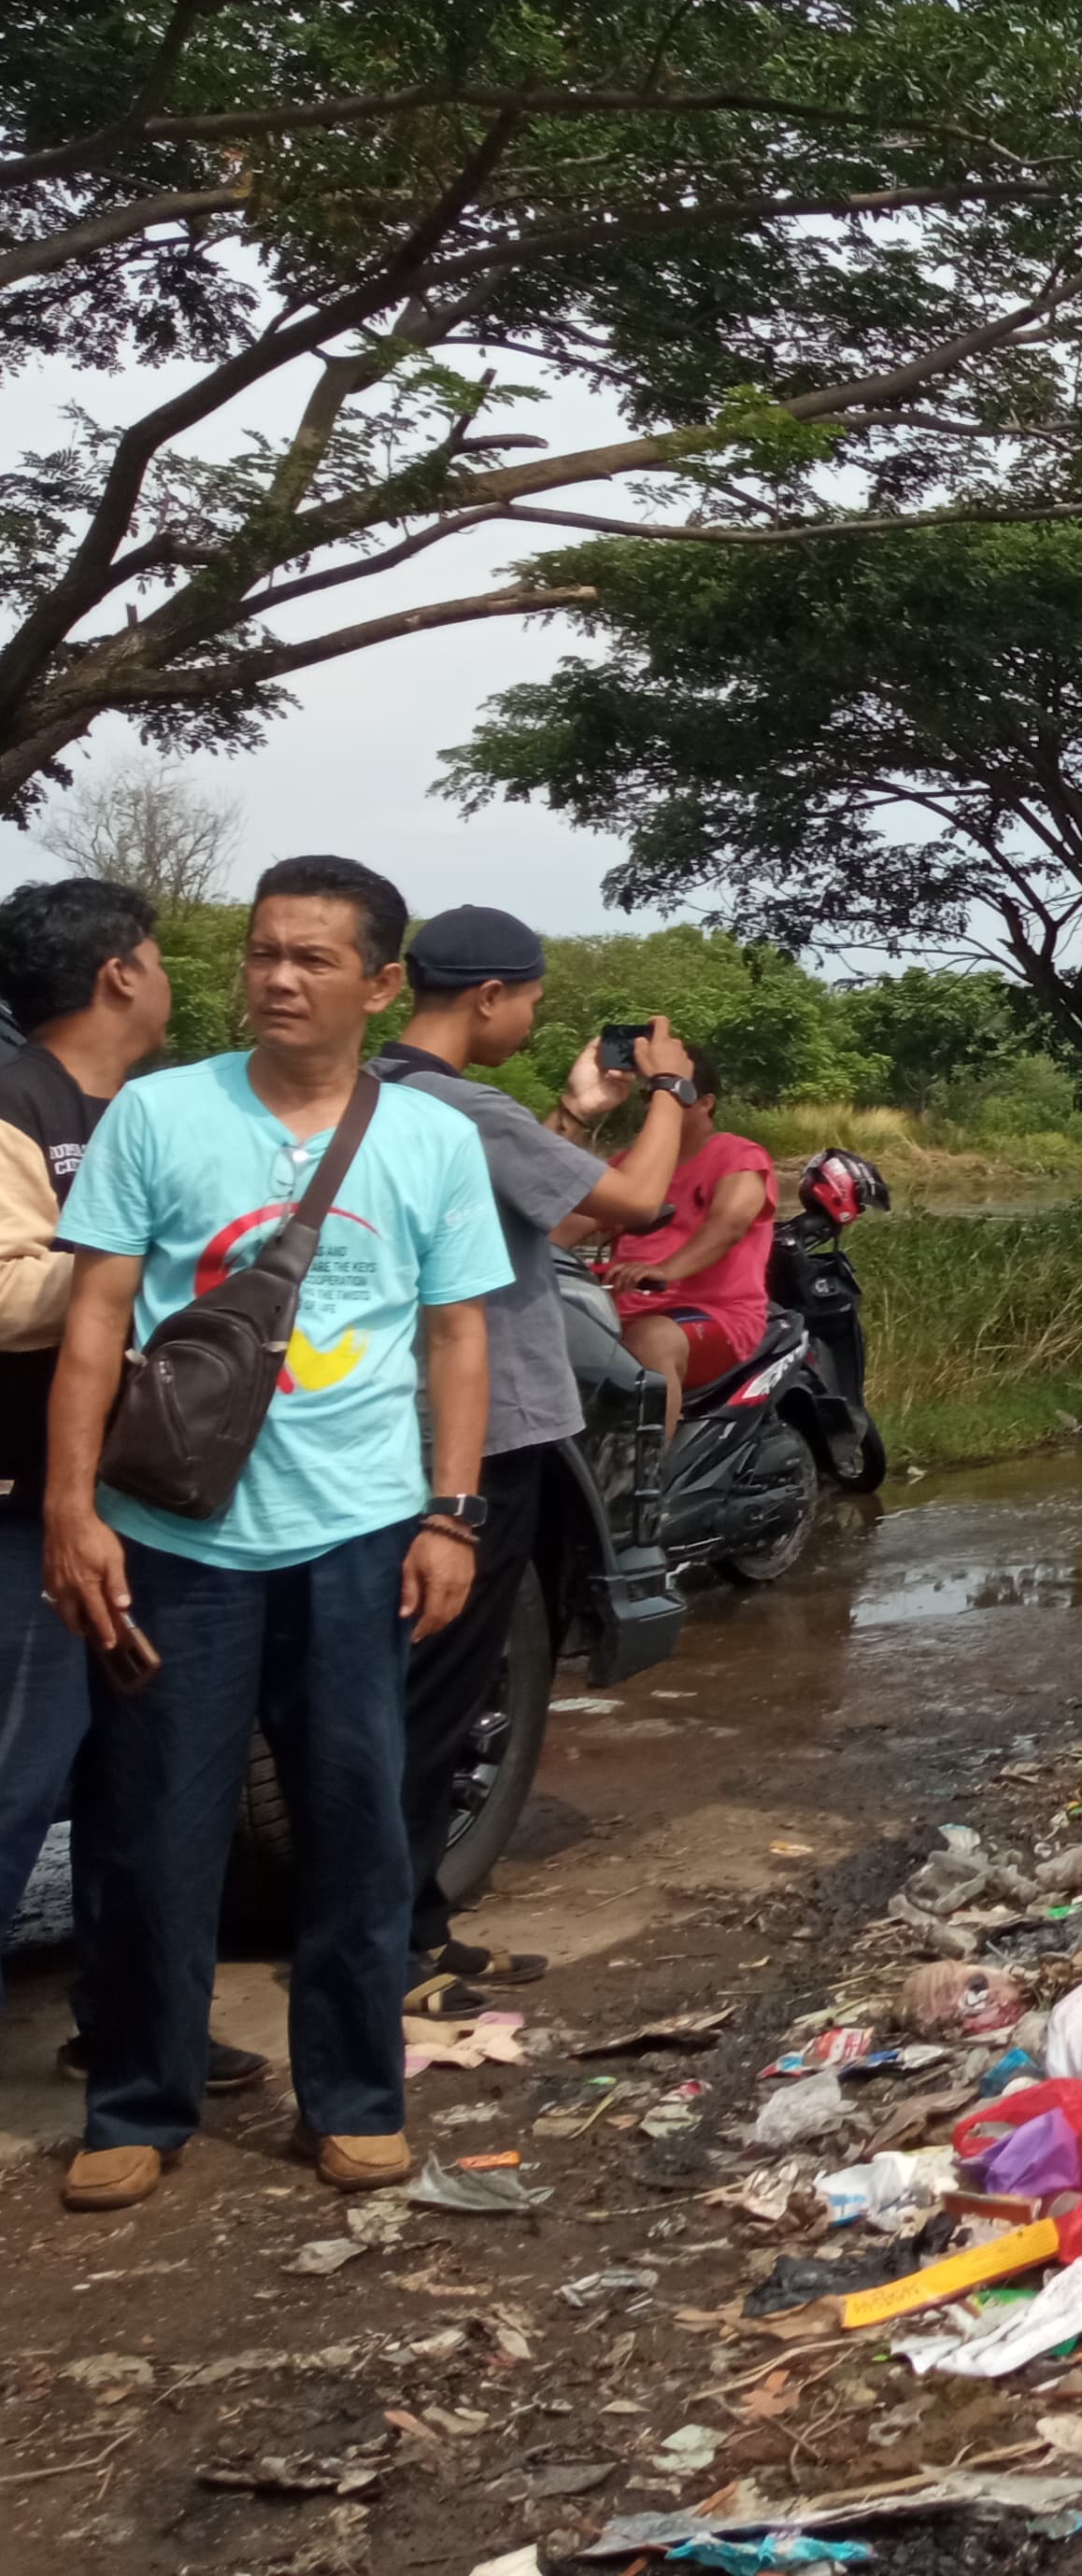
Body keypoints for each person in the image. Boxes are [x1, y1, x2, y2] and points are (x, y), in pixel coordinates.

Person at [42, 856, 505, 2212]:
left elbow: (458, 1334)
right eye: (259, 954)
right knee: (150, 1832)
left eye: (310, 959)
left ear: (375, 983)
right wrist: (75, 1511)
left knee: (357, 1829)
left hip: (357, 1536)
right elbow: (94, 1324)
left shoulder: (427, 1140)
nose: (278, 979)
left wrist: (454, 1511)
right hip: (174, 1535)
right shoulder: (160, 1115)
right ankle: (136, 2102)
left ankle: (355, 2097)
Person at [381, 909, 700, 2009]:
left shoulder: (387, 1095)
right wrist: (670, 1092)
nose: (532, 1015)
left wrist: (576, 1110)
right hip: (487, 1435)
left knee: (415, 1689)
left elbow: (544, 1224)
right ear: (486, 998)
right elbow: (632, 1204)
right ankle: (397, 1943)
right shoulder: (460, 1104)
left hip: (395, 1433)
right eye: (529, 998)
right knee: (434, 1696)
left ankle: (411, 1917)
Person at [0, 884, 215, 2074]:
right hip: (26, 1508)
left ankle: (129, 2032)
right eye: (159, 955)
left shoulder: (141, 1111)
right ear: (121, 973)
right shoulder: (15, 1105)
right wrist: (131, 1271)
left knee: (135, 1793)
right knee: (12, 1781)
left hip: (141, 1507)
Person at [596, 1042, 774, 1434]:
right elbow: (565, 1223)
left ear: (705, 1102)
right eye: (651, 1093)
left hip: (716, 1315)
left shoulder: (738, 1156)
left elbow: (728, 1226)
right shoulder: (628, 1166)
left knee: (652, 1339)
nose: (658, 1102)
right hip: (615, 1314)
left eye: (676, 1090)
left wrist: (664, 1269)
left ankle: (646, 1484)